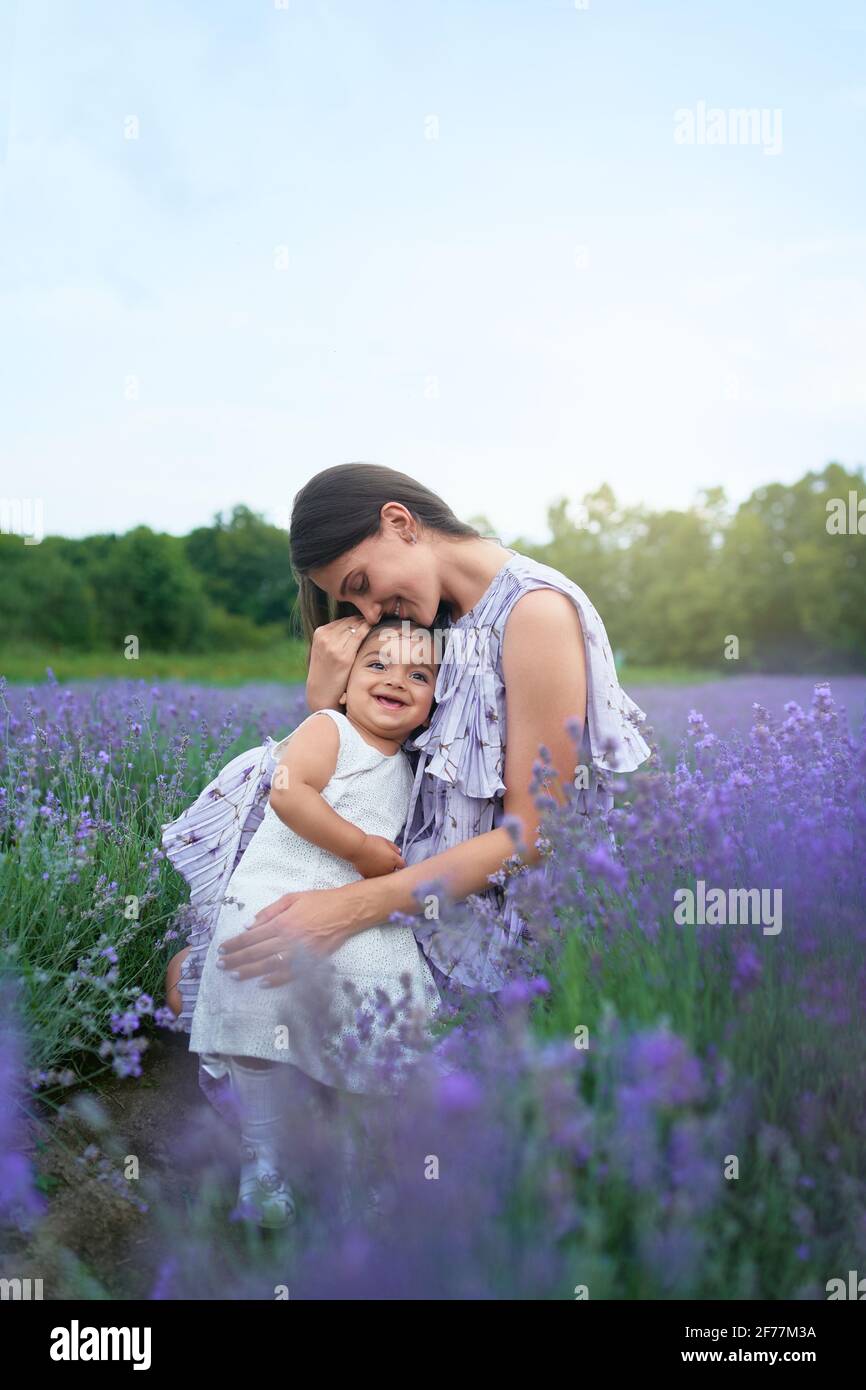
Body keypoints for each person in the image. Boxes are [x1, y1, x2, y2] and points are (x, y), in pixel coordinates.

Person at [214, 463, 652, 1003]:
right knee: (198, 976)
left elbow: (538, 834)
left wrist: (349, 910)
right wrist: (324, 703)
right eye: (353, 605)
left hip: (492, 931)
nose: (371, 612)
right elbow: (361, 778)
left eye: (361, 585)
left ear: (400, 523)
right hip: (408, 896)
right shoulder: (436, 623)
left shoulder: (533, 612)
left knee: (246, 994)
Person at [164, 616, 441, 1228]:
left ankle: (357, 1165)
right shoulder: (328, 728)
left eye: (418, 675)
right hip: (278, 893)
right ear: (342, 686)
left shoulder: (414, 767)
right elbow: (289, 794)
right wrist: (360, 848)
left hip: (355, 917)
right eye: (377, 665)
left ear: (430, 707)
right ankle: (262, 1164)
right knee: (255, 993)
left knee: (382, 1002)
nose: (396, 680)